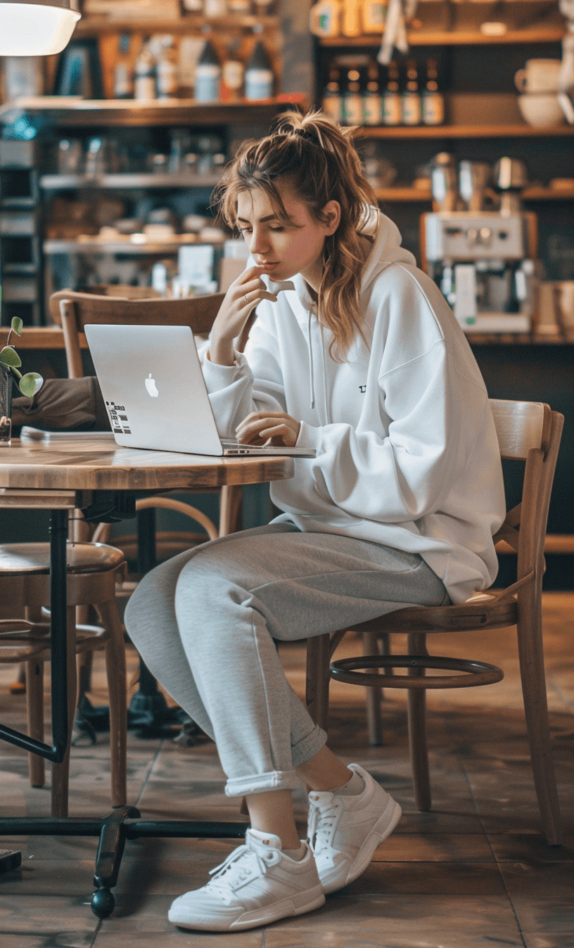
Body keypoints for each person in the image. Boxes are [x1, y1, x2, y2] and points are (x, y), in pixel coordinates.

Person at [125, 110, 505, 933]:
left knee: (215, 590)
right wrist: (221, 350)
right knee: (151, 601)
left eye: (277, 226)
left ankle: (278, 854)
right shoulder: (283, 300)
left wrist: (310, 437)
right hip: (331, 530)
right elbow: (236, 432)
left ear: (328, 217)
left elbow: (420, 472)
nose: (256, 247)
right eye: (246, 226)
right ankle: (341, 793)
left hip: (421, 539)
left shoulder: (399, 295)